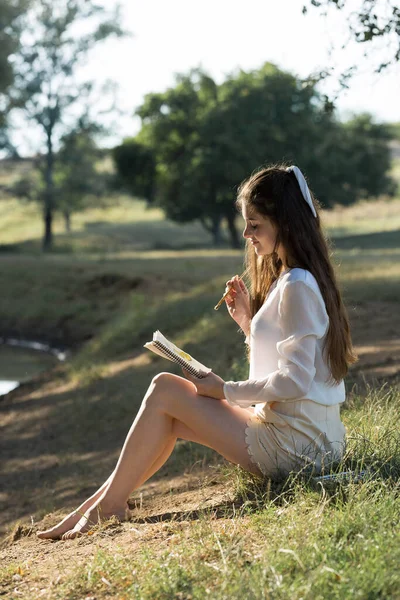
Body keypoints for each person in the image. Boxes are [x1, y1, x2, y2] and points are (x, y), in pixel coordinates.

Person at [37, 163, 357, 541]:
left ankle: (106, 508)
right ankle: (98, 507)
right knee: (167, 416)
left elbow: (296, 379)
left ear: (283, 221)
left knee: (165, 388)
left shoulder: (297, 283)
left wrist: (224, 390)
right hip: (306, 438)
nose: (246, 234)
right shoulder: (293, 278)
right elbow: (289, 363)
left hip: (298, 447)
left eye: (255, 224)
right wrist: (248, 325)